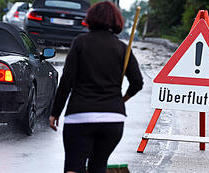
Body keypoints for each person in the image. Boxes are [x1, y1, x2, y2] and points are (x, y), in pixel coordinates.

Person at [49, 1, 143, 173]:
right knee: (98, 166)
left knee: (74, 165)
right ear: (116, 21)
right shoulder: (123, 49)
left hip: (80, 116)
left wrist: (55, 112)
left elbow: (66, 81)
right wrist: (121, 100)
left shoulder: (80, 43)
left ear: (90, 19)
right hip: (112, 120)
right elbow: (137, 83)